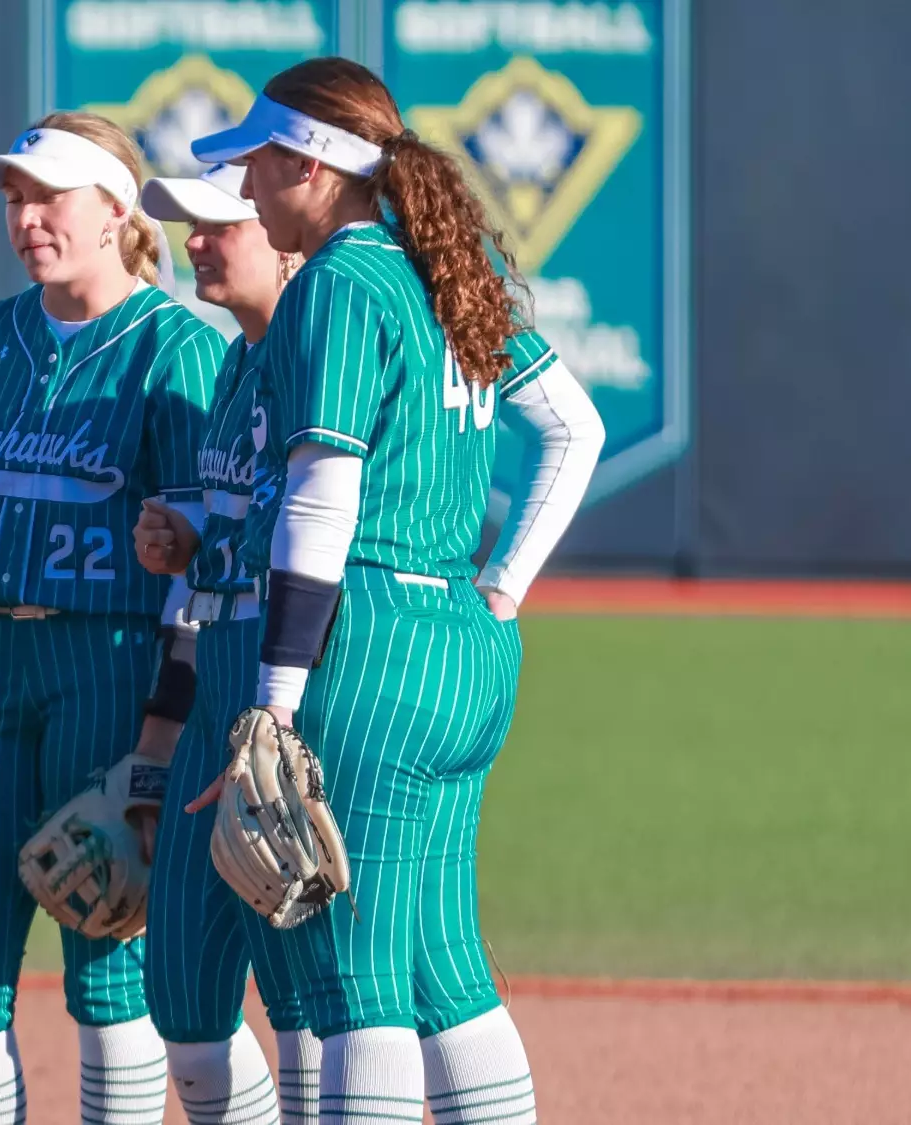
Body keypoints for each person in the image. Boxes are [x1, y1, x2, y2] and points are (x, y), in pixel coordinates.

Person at [181, 57, 605, 1125]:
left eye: (258, 166)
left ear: (315, 168)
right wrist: (501, 585)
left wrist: (275, 694)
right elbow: (574, 426)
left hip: (365, 649)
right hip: (461, 643)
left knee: (353, 989)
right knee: (439, 972)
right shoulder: (441, 270)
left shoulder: (341, 278)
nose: (244, 192)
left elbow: (321, 492)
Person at [0, 113, 224, 1125]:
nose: (25, 217)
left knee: (108, 964)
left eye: (48, 196)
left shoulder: (176, 347)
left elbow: (202, 563)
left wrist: (161, 735)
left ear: (114, 209)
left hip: (112, 667)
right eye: (12, 199)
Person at [130, 163, 324, 1125]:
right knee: (182, 991)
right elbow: (243, 535)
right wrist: (188, 538)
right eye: (188, 226)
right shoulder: (233, 362)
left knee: (304, 993)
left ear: (284, 239)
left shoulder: (310, 357)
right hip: (214, 685)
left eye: (218, 225)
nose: (194, 243)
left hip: (286, 687)